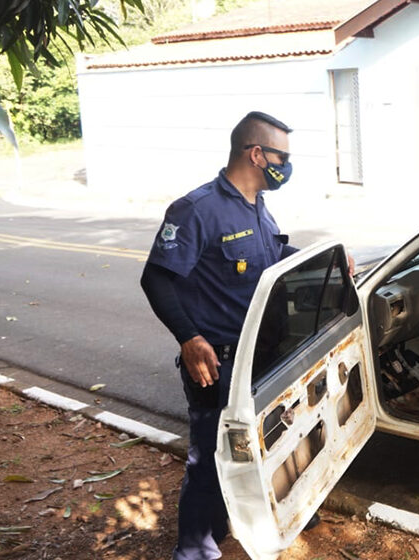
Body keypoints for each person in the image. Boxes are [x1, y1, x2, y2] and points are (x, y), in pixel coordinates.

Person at [140, 111, 299, 559]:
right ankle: (193, 551)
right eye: (281, 156)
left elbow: (272, 253)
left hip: (257, 358)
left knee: (250, 451)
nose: (286, 165)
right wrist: (189, 339)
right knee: (209, 460)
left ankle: (223, 526)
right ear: (256, 154)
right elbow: (156, 279)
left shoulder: (255, 204)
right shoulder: (197, 209)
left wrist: (326, 258)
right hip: (218, 365)